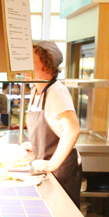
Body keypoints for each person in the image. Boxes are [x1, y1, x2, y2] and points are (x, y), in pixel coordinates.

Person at [21, 41, 82, 208]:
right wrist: (36, 145)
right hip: (44, 162)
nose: (23, 66)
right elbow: (52, 124)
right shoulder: (36, 90)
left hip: (61, 168)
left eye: (30, 61)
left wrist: (53, 164)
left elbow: (73, 129)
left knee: (62, 213)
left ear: (47, 66)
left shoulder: (56, 92)